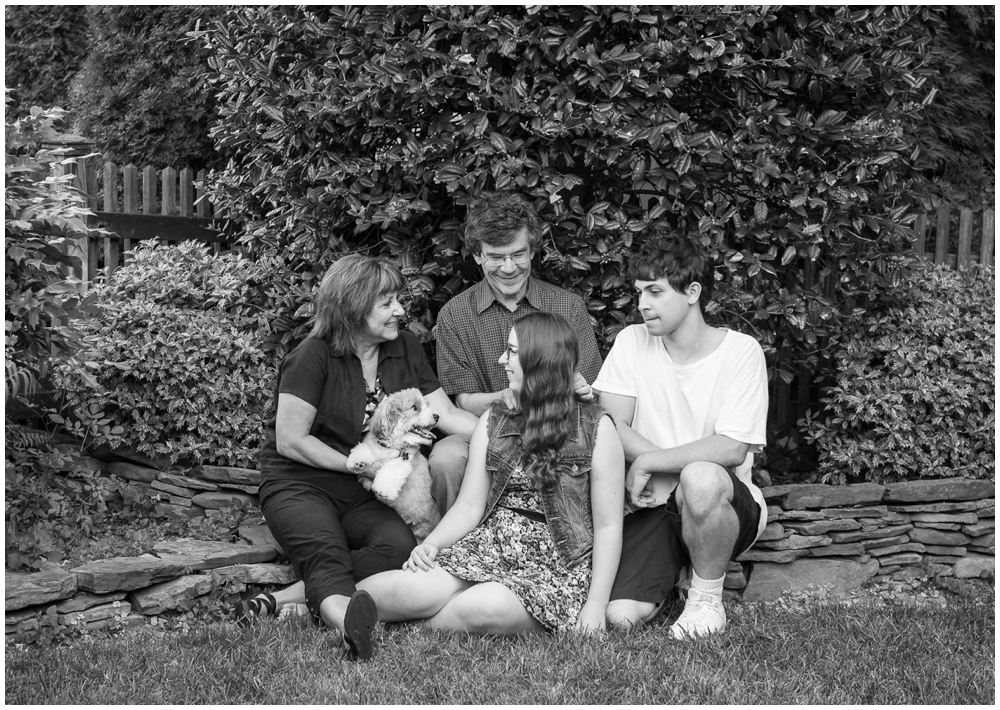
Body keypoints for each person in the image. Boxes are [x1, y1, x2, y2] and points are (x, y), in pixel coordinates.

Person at [241, 254, 479, 660]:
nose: (400, 311)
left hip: (361, 488)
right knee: (325, 547)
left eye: (397, 300)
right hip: (300, 482)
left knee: (398, 545)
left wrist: (508, 434)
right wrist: (355, 464)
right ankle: (346, 624)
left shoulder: (404, 348)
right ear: (353, 308)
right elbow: (290, 440)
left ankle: (286, 602)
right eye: (386, 303)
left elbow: (449, 415)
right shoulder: (311, 356)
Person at [357, 312, 625, 637]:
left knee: (485, 605)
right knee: (409, 589)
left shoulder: (597, 428)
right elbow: (470, 505)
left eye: (512, 352)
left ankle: (403, 632)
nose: (502, 360)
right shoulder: (495, 420)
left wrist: (596, 603)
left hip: (557, 562)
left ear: (538, 360)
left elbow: (608, 525)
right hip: (491, 545)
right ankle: (350, 610)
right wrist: (433, 545)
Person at [595, 235, 769, 639]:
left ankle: (706, 599)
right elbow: (609, 424)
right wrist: (661, 470)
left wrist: (649, 461)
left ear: (693, 292)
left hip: (721, 499)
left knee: (701, 477)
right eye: (639, 292)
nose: (642, 304)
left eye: (655, 292)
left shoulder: (741, 351)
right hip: (651, 505)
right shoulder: (631, 341)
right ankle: (677, 572)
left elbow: (731, 447)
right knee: (618, 616)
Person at [429, 192, 604, 517]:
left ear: (533, 251)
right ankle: (454, 550)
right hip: (484, 431)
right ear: (478, 256)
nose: (508, 268)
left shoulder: (567, 306)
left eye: (518, 254)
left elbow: (593, 397)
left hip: (560, 432)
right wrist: (515, 395)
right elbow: (464, 401)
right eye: (496, 257)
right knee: (446, 458)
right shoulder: (454, 315)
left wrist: (582, 390)